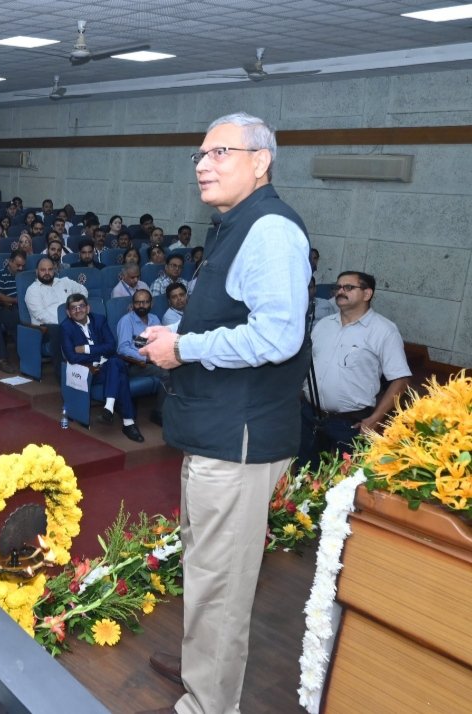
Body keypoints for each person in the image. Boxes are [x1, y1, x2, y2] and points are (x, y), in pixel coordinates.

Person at [138, 112, 312, 714]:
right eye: (200, 155)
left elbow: (277, 337)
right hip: (214, 431)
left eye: (220, 153)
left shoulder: (268, 230)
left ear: (260, 161)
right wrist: (181, 330)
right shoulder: (233, 226)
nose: (203, 165)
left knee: (221, 584)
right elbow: (232, 320)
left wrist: (183, 347)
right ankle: (199, 671)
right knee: (206, 566)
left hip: (238, 440)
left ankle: (209, 704)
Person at [298, 271, 411, 466]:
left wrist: (375, 418)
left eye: (348, 287)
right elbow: (307, 364)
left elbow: (400, 380)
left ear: (367, 294)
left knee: (342, 484)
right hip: (310, 416)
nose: (340, 291)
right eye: (338, 287)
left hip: (350, 424)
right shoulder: (324, 325)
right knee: (304, 476)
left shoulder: (384, 330)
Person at [60, 294, 143, 442]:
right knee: (119, 371)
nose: (78, 310)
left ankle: (110, 408)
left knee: (114, 363)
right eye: (73, 308)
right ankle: (127, 422)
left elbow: (111, 346)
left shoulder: (99, 320)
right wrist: (99, 355)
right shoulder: (66, 327)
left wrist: (85, 349)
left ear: (88, 308)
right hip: (92, 371)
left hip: (109, 366)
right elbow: (71, 357)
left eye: (81, 306)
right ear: (68, 312)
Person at [25, 257, 87, 382]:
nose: (47, 273)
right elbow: (41, 315)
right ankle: (62, 375)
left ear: (54, 270)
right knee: (58, 330)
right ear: (37, 272)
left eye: (50, 269)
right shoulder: (32, 290)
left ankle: (89, 368)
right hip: (45, 328)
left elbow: (84, 292)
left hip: (72, 321)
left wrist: (76, 309)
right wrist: (66, 321)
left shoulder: (65, 282)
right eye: (43, 270)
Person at [116, 289, 167, 424]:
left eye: (145, 302)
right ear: (132, 304)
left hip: (155, 360)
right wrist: (146, 358)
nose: (142, 306)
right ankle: (159, 412)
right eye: (138, 303)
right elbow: (122, 349)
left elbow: (161, 340)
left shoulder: (154, 319)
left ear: (152, 303)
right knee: (167, 373)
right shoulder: (126, 321)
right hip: (135, 365)